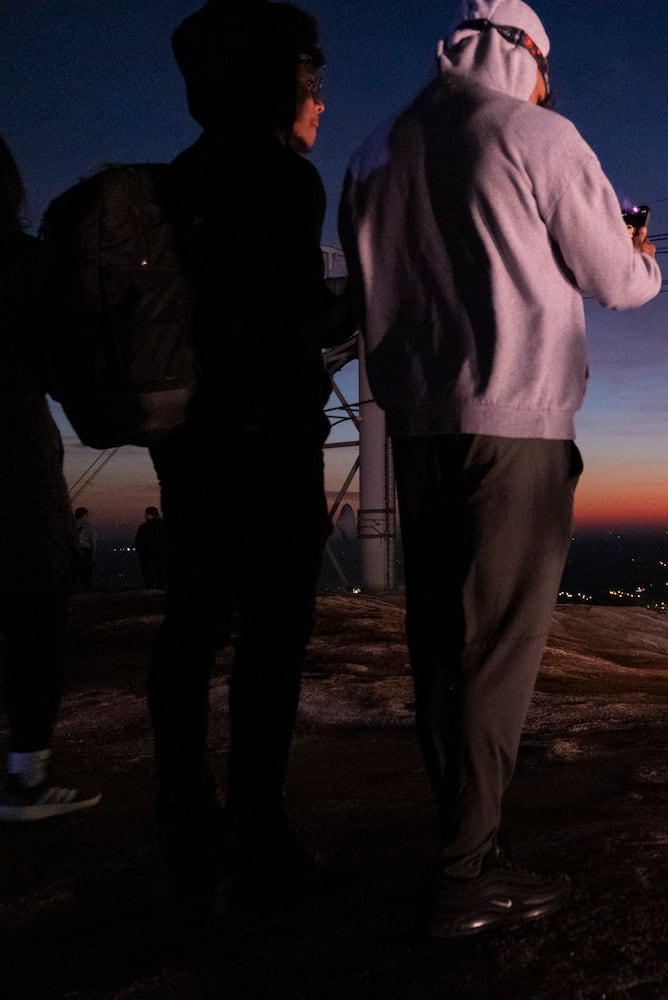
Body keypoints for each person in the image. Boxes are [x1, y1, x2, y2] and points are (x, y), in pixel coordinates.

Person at [340, 0, 661, 939]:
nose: (550, 84)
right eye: (547, 66)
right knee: (498, 654)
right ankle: (466, 871)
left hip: (414, 430)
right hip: (515, 424)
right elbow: (616, 280)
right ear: (524, 53)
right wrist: (643, 252)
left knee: (442, 644)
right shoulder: (538, 134)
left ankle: (465, 836)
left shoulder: (375, 148)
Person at [148, 0, 349, 911]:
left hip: (189, 444)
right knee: (272, 643)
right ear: (277, 88)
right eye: (312, 89)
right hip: (269, 447)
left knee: (190, 631)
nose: (320, 108)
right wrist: (368, 303)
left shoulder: (181, 177)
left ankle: (184, 824)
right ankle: (256, 839)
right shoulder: (282, 184)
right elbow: (291, 324)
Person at [0, 133, 101, 822]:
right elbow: (68, 366)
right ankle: (25, 778)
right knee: (35, 614)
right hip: (13, 457)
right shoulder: (23, 263)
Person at [135, 506, 167, 589]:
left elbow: (138, 542)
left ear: (149, 514)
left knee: (149, 576)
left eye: (146, 514)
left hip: (147, 557)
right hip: (162, 556)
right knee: (161, 574)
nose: (145, 516)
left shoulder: (143, 527)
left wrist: (142, 554)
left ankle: (150, 589)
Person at [73, 507, 98, 588]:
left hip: (78, 552)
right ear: (83, 515)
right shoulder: (88, 528)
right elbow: (93, 542)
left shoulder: (72, 526)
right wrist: (93, 554)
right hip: (81, 552)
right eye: (86, 515)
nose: (87, 517)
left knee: (82, 571)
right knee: (84, 571)